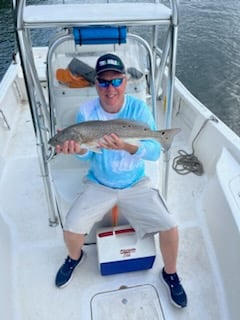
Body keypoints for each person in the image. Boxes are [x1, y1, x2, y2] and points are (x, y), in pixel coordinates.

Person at [55, 53, 187, 308]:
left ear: (125, 82)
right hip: (99, 183)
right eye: (104, 82)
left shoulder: (138, 109)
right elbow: (86, 156)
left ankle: (169, 273)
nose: (110, 88)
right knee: (71, 228)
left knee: (170, 227)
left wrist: (127, 146)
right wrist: (77, 149)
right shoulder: (86, 111)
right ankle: (75, 258)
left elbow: (154, 151)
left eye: (116, 81)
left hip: (135, 183)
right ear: (96, 85)